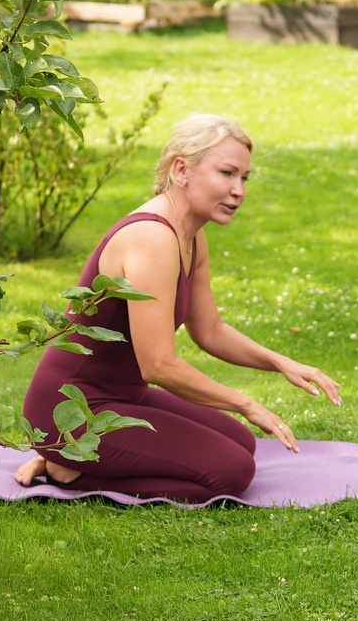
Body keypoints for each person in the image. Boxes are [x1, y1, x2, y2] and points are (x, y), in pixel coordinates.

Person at [17, 113, 340, 501]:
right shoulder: (152, 238)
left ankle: (73, 460)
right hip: (69, 410)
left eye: (244, 178)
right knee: (231, 473)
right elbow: (159, 366)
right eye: (227, 173)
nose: (239, 190)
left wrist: (281, 363)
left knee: (241, 442)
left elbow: (210, 331)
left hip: (122, 398)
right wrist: (246, 404)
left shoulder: (191, 234)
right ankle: (66, 469)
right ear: (182, 169)